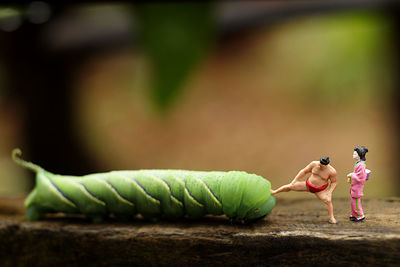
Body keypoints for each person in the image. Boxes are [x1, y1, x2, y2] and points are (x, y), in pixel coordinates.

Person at [271, 157, 338, 224]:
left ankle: (331, 217)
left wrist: (329, 192)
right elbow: (304, 171)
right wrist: (295, 180)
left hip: (319, 190)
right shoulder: (314, 164)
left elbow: (334, 182)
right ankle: (274, 191)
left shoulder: (332, 171)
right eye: (321, 163)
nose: (321, 165)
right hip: (307, 185)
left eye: (323, 164)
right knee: (290, 186)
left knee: (328, 200)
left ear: (327, 164)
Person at [347, 146, 369, 222]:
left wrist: (352, 175)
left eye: (355, 154)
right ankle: (354, 214)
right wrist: (353, 174)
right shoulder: (358, 163)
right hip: (355, 186)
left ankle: (360, 215)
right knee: (353, 202)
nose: (353, 155)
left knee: (356, 202)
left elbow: (361, 176)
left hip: (357, 187)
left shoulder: (361, 165)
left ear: (360, 155)